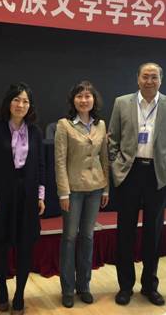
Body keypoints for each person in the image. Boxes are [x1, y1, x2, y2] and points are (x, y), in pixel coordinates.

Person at [108, 62, 166, 307]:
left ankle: (150, 286)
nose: (149, 81)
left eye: (154, 77)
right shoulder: (122, 102)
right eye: (145, 76)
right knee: (125, 233)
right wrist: (117, 165)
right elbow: (112, 139)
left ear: (161, 80)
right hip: (129, 174)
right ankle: (125, 287)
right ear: (137, 79)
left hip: (157, 175)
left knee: (153, 233)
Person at [0, 83, 46, 315]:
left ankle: (19, 295)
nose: (21, 105)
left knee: (25, 248)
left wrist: (40, 195)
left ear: (30, 105)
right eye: (17, 100)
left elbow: (41, 166)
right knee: (1, 246)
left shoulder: (35, 132)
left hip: (27, 196)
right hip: (2, 196)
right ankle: (1, 290)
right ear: (9, 102)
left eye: (25, 101)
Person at [54, 80, 110, 308]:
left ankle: (84, 286)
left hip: (95, 188)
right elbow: (59, 161)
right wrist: (63, 193)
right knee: (69, 238)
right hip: (73, 190)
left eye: (88, 96)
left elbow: (105, 158)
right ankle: (67, 288)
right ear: (73, 100)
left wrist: (106, 187)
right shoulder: (64, 125)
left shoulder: (101, 125)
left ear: (94, 100)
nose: (84, 100)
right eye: (79, 96)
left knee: (88, 237)